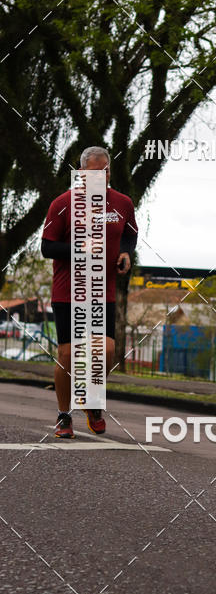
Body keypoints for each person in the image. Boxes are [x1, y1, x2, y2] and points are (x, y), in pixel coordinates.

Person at [41, 146, 138, 439]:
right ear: (81, 173)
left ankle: (91, 399)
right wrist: (79, 249)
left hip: (101, 291)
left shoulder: (122, 203)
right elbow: (47, 247)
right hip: (67, 291)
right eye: (92, 173)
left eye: (104, 172)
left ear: (109, 171)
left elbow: (130, 234)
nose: (99, 177)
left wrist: (125, 254)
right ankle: (63, 415)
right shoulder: (63, 203)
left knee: (106, 350)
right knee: (68, 355)